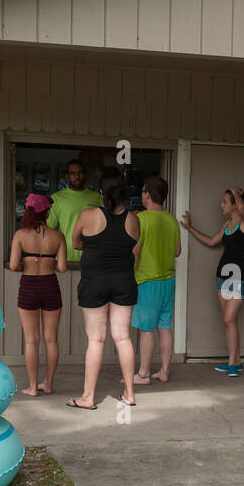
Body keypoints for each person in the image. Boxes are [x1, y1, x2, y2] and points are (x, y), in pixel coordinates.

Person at [67, 170, 141, 410]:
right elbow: (132, 247)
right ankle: (129, 394)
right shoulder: (133, 219)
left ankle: (88, 398)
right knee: (122, 336)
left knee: (96, 340)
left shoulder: (88, 215)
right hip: (123, 281)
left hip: (94, 282)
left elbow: (75, 243)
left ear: (101, 192)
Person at [181, 186, 244, 377]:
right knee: (230, 322)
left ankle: (232, 364)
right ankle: (235, 362)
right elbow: (212, 242)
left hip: (241, 278)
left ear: (235, 205)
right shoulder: (227, 225)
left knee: (228, 319)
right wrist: (189, 228)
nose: (221, 205)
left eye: (224, 202)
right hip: (222, 277)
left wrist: (238, 194)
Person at [8, 193, 67, 397]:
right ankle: (48, 384)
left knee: (31, 340)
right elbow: (62, 268)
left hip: (29, 287)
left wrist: (28, 262)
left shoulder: (20, 235)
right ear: (47, 212)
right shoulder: (57, 236)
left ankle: (33, 387)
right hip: (50, 285)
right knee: (51, 340)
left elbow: (14, 265)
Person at [131, 175, 181, 385]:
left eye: (143, 191)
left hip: (147, 280)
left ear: (148, 195)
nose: (142, 194)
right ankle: (164, 371)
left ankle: (143, 374)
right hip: (168, 280)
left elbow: (134, 252)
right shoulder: (172, 220)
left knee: (146, 329)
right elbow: (177, 251)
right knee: (164, 327)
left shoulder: (141, 219)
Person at [47, 160, 103, 264]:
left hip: (92, 257)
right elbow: (49, 229)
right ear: (67, 176)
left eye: (80, 172)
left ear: (86, 175)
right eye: (72, 173)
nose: (77, 176)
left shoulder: (96, 197)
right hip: (64, 257)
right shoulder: (57, 198)